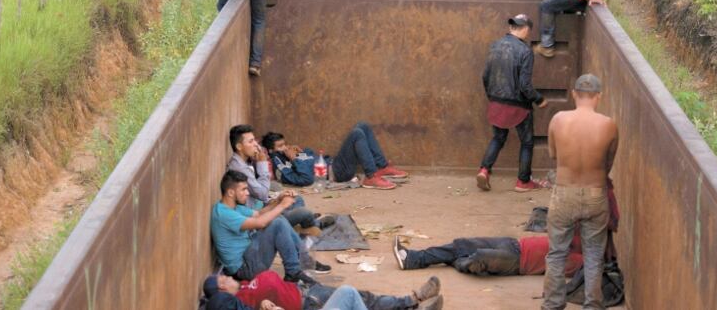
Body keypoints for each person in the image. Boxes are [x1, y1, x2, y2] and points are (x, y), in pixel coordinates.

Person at [542, 74, 618, 310]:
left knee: (556, 253)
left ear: (574, 94)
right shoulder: (609, 125)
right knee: (594, 255)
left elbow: (554, 156)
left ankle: (553, 304)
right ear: (599, 97)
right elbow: (608, 164)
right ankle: (592, 305)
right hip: (596, 194)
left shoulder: (558, 120)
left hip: (564, 193)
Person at [210, 170, 323, 284]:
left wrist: (278, 200)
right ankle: (294, 271)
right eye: (243, 189)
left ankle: (302, 261)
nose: (248, 193)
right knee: (277, 224)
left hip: (249, 254)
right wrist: (283, 205)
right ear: (230, 193)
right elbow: (260, 223)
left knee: (279, 219)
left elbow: (259, 214)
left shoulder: (232, 207)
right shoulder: (224, 214)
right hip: (245, 269)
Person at [477, 15, 548, 193]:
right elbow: (525, 85)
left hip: (496, 101)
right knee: (527, 142)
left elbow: (485, 76)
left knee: (498, 138)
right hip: (518, 105)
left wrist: (492, 97)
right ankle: (523, 181)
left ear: (511, 28)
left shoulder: (495, 46)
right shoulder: (525, 51)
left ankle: (484, 170)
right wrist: (538, 99)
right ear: (526, 30)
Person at [227, 124, 322, 232]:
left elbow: (260, 191)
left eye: (254, 141)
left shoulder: (244, 160)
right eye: (250, 142)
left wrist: (276, 199)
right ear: (239, 147)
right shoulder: (239, 168)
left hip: (262, 205)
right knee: (304, 213)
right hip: (257, 216)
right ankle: (313, 224)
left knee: (296, 199)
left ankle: (301, 224)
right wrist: (262, 163)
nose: (255, 145)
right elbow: (262, 194)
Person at [202, 269, 442, 310]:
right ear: (221, 288)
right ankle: (412, 300)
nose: (226, 277)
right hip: (309, 304)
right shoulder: (240, 298)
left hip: (305, 291)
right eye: (222, 279)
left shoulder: (244, 291)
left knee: (362, 298)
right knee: (353, 295)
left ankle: (412, 300)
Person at [268, 123, 408, 190]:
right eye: (280, 146)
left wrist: (302, 152)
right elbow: (306, 179)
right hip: (336, 172)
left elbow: (313, 157)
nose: (285, 148)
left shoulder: (289, 154)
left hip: (333, 163)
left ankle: (382, 167)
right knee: (356, 134)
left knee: (363, 126)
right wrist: (295, 159)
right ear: (271, 151)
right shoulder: (280, 166)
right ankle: (371, 177)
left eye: (284, 144)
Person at [393, 231, 583, 278]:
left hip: (516, 262)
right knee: (461, 244)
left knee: (477, 258)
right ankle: (412, 258)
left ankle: (456, 262)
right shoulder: (574, 236)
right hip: (514, 244)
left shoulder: (579, 260)